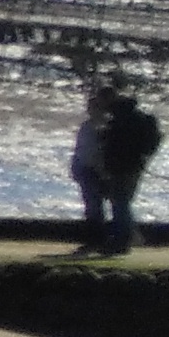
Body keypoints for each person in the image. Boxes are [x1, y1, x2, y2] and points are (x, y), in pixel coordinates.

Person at [94, 82, 165, 255]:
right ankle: (125, 238)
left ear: (108, 99)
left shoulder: (122, 118)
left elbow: (118, 142)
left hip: (124, 166)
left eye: (101, 101)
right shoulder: (129, 115)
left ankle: (122, 241)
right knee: (121, 202)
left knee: (120, 202)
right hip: (131, 165)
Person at [69, 78, 119, 252]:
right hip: (86, 169)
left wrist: (102, 171)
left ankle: (98, 239)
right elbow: (80, 149)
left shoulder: (103, 127)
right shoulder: (87, 126)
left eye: (93, 107)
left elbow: (97, 151)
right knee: (92, 207)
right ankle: (96, 239)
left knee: (95, 207)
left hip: (96, 171)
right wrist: (75, 165)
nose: (90, 110)